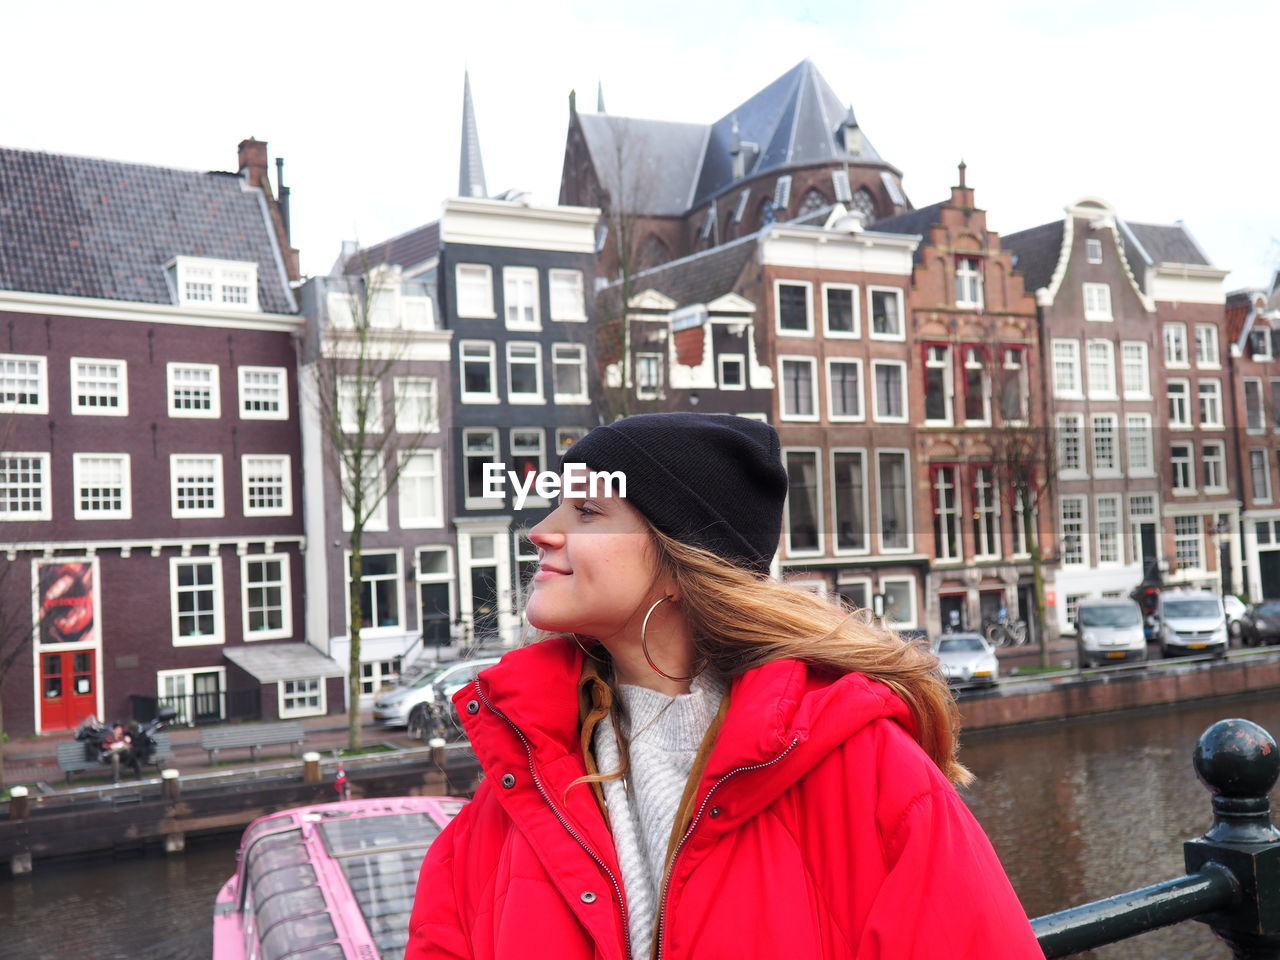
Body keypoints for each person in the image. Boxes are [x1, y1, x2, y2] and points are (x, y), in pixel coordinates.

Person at [407, 413, 1042, 959]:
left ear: (680, 558)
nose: (540, 529)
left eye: (588, 510)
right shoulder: (512, 797)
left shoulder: (869, 774)